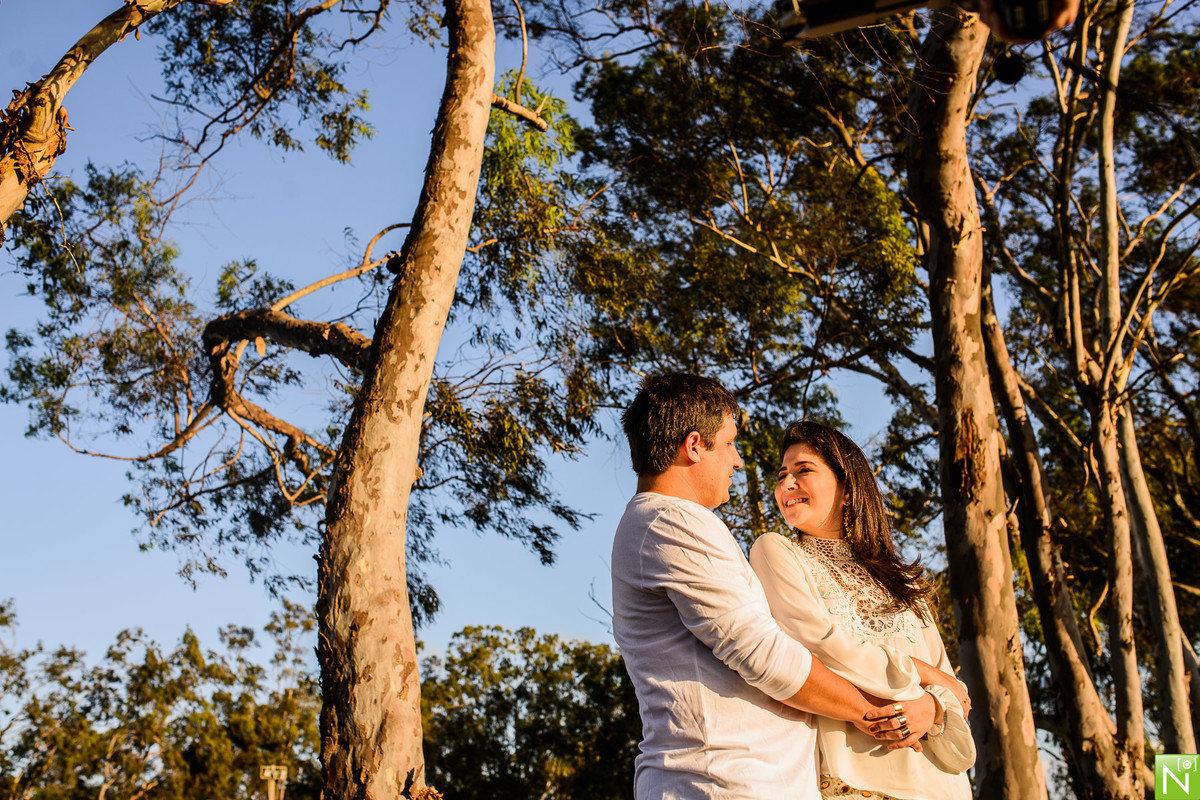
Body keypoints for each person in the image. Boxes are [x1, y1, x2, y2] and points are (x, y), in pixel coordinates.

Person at [611, 374, 940, 799]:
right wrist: (872, 712)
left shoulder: (668, 523)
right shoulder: (670, 522)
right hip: (720, 781)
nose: (738, 462)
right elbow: (763, 653)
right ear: (694, 446)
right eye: (729, 443)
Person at [749, 419, 975, 800]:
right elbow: (818, 649)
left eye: (803, 471)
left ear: (848, 490)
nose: (786, 484)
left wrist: (934, 708)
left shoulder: (903, 582)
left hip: (939, 786)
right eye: (782, 474)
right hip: (852, 782)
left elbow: (952, 687)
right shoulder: (776, 552)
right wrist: (923, 682)